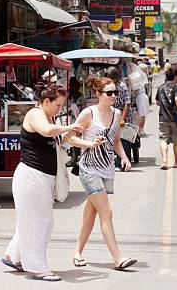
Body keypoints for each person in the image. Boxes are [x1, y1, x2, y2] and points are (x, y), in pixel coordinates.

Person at [2, 83, 83, 282]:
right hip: (31, 176)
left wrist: (72, 132)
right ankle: (38, 267)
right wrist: (69, 126)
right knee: (39, 222)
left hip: (42, 176)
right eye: (57, 105)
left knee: (33, 220)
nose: (60, 109)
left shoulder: (49, 116)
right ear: (45, 101)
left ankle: (12, 255)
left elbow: (57, 140)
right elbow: (47, 132)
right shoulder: (35, 114)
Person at [68, 77, 137, 271]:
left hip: (107, 169)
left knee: (91, 213)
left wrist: (124, 157)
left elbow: (115, 141)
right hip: (89, 169)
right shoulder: (88, 114)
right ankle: (118, 258)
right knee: (106, 212)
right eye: (109, 93)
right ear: (98, 94)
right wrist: (89, 144)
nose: (114, 96)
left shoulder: (116, 114)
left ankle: (77, 253)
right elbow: (69, 138)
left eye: (115, 92)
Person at [156, 68, 177, 170]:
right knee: (176, 141)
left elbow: (157, 102)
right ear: (175, 76)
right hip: (175, 119)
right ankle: (176, 162)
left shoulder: (160, 87)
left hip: (163, 119)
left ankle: (164, 160)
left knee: (163, 139)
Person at [107, 67, 133, 169]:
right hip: (114, 118)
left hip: (123, 118)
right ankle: (117, 162)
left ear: (116, 77)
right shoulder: (111, 87)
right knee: (114, 140)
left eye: (111, 78)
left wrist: (122, 119)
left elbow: (127, 103)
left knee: (124, 141)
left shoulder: (122, 87)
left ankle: (124, 164)